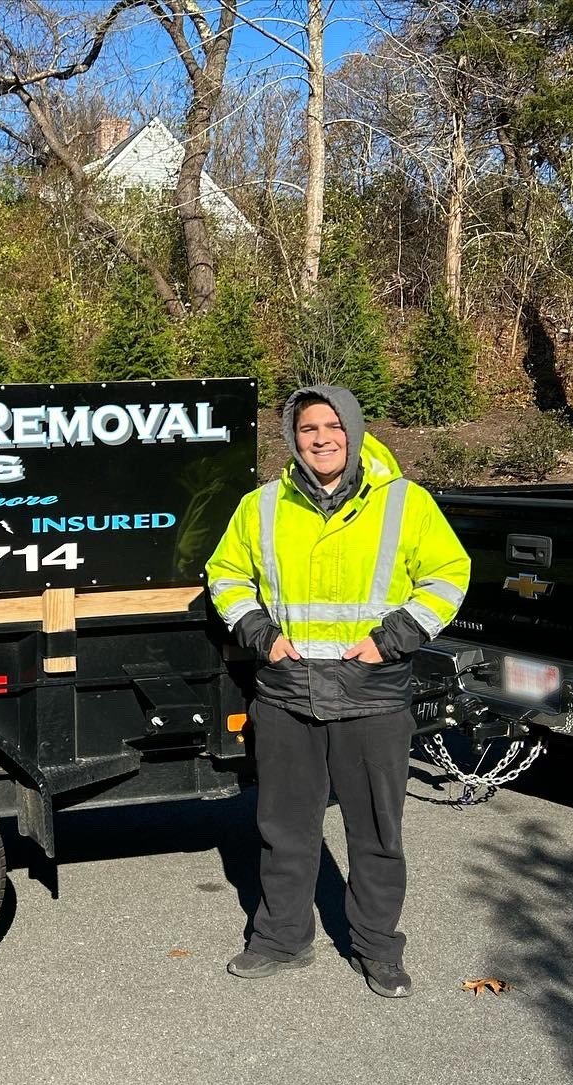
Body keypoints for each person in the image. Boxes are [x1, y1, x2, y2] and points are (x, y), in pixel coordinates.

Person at [204, 383, 470, 998]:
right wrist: (260, 634)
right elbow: (226, 574)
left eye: (332, 427)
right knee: (284, 829)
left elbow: (448, 576)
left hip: (371, 692)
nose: (321, 439)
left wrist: (393, 638)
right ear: (293, 439)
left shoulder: (405, 502)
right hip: (287, 693)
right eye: (308, 429)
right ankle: (281, 939)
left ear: (353, 430)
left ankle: (377, 948)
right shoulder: (262, 505)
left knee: (376, 834)